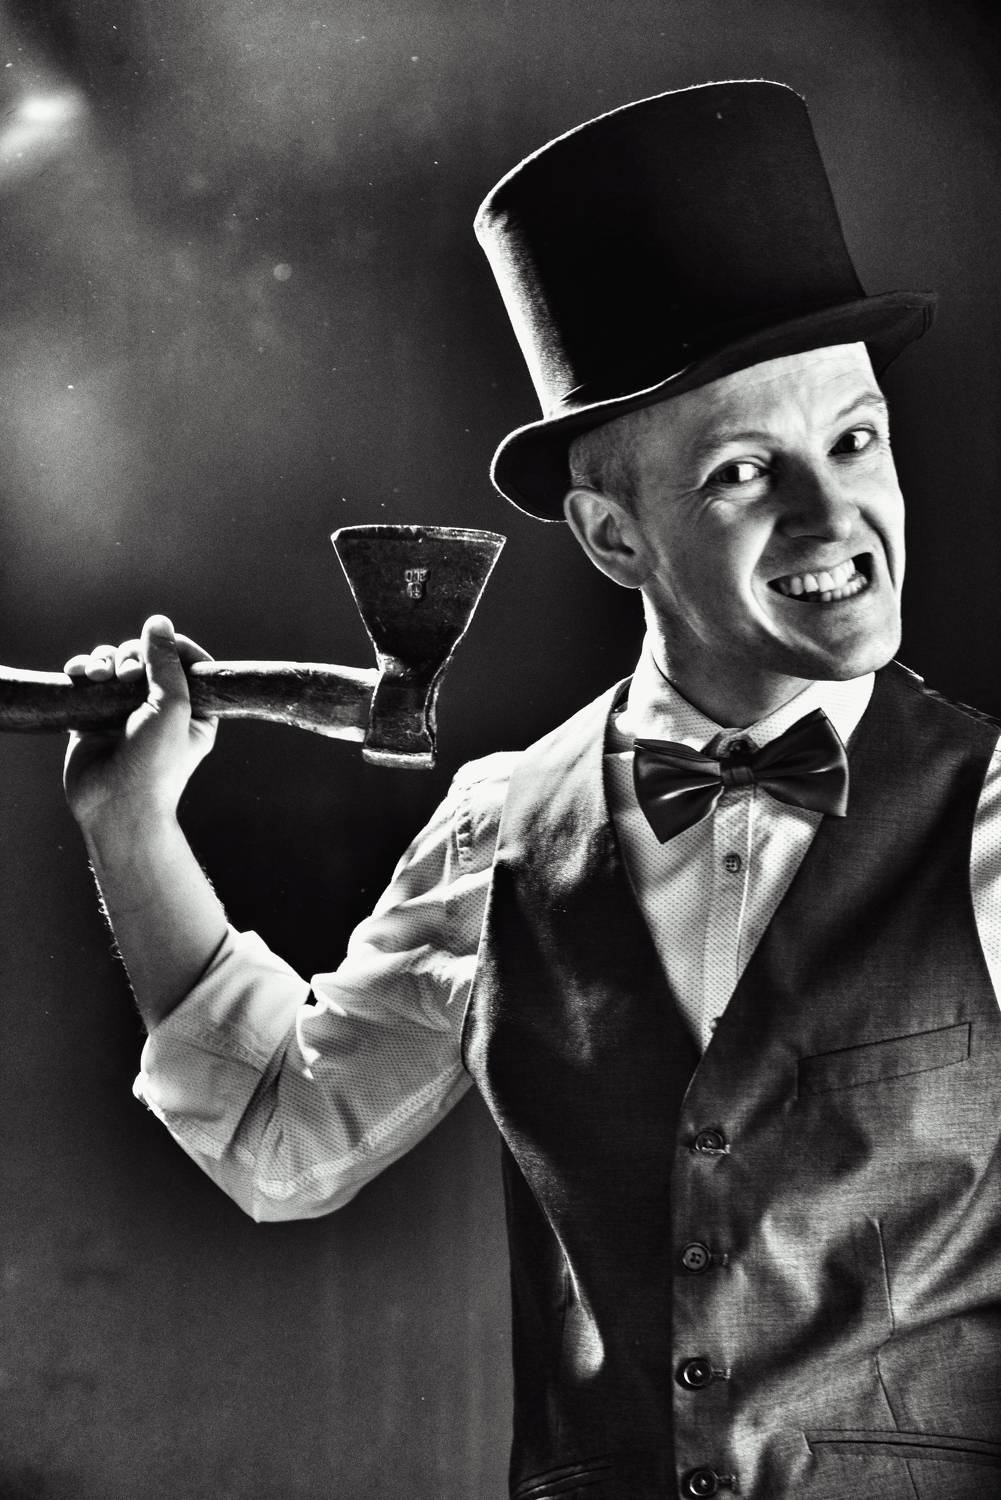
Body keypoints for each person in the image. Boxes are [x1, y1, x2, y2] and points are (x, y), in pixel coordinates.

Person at [62, 82, 1001, 1500]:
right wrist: (130, 827)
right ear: (615, 539)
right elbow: (279, 1145)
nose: (833, 518)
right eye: (745, 471)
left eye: (855, 441)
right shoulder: (501, 825)